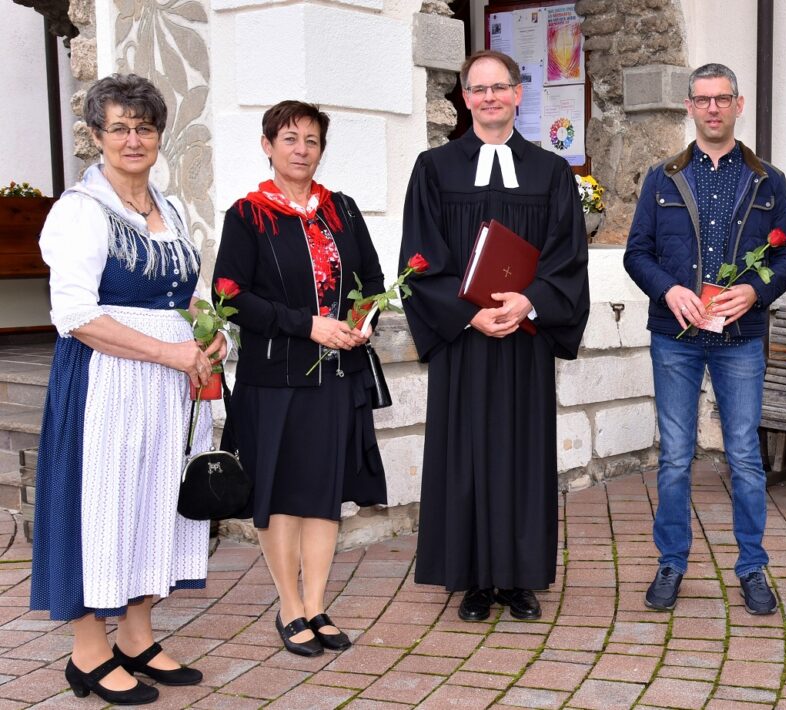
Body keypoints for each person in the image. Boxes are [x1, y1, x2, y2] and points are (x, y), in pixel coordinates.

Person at [32, 73, 217, 705]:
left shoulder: (168, 210)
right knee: (99, 507)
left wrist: (211, 336)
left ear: (159, 135)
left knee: (151, 504)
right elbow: (77, 316)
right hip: (105, 382)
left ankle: (137, 635)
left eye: (144, 128)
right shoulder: (81, 211)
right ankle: (88, 651)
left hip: (166, 387)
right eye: (119, 128)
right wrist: (169, 351)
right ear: (95, 136)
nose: (133, 140)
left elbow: (187, 296)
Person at [400, 50, 589, 622]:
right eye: (477, 89)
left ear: (517, 94)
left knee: (522, 455)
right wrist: (467, 314)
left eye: (499, 88)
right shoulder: (434, 169)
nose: (488, 98)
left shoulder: (551, 173)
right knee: (466, 455)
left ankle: (519, 578)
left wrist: (529, 301)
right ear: (464, 97)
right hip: (465, 341)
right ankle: (475, 580)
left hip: (525, 339)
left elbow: (568, 258)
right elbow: (418, 257)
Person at [624, 63, 786, 616]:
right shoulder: (663, 177)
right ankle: (671, 562)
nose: (713, 109)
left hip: (741, 336)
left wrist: (754, 291)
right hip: (676, 336)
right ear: (690, 107)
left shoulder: (768, 179)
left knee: (746, 457)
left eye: (722, 99)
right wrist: (669, 291)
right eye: (703, 100)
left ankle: (752, 568)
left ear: (739, 104)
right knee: (676, 456)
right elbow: (636, 253)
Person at [213, 100, 388, 656]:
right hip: (274, 378)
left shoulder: (344, 210)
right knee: (280, 496)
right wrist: (307, 325)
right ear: (268, 146)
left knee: (321, 493)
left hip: (336, 375)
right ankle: (289, 607)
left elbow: (374, 279)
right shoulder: (247, 215)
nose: (301, 150)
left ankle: (317, 605)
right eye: (289, 139)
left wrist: (362, 321)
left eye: (311, 141)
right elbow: (231, 295)